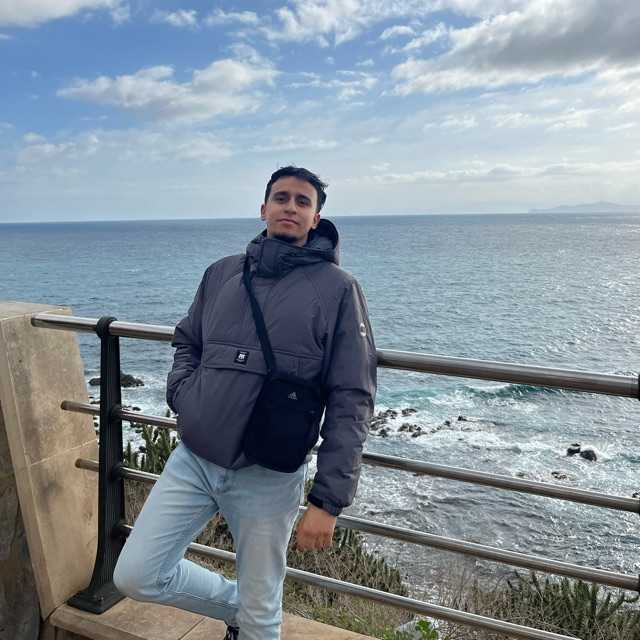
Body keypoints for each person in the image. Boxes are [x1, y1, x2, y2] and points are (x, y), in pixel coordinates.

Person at [113, 166, 377, 640]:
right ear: (263, 208)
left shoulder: (339, 289)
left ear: (316, 218)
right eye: (281, 197)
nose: (290, 207)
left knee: (261, 614)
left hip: (268, 473)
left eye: (302, 201)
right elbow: (188, 340)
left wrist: (328, 500)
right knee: (136, 574)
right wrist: (184, 396)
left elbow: (352, 397)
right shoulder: (221, 273)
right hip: (195, 457)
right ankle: (241, 607)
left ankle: (252, 613)